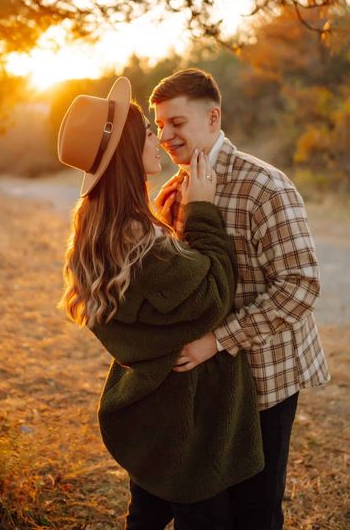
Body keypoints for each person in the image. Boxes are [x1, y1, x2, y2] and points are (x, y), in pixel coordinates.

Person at [56, 76, 264, 530]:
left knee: (144, 515)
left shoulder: (97, 227)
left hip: (150, 410)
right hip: (181, 419)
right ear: (130, 151)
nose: (159, 137)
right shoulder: (139, 238)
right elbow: (212, 298)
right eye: (148, 132)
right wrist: (202, 212)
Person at [150, 68, 330, 530]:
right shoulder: (173, 191)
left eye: (177, 122)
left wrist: (218, 339)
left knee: (256, 511)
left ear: (213, 118)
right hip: (206, 386)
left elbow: (301, 285)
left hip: (262, 381)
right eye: (160, 125)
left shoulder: (264, 186)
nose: (166, 135)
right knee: (210, 506)